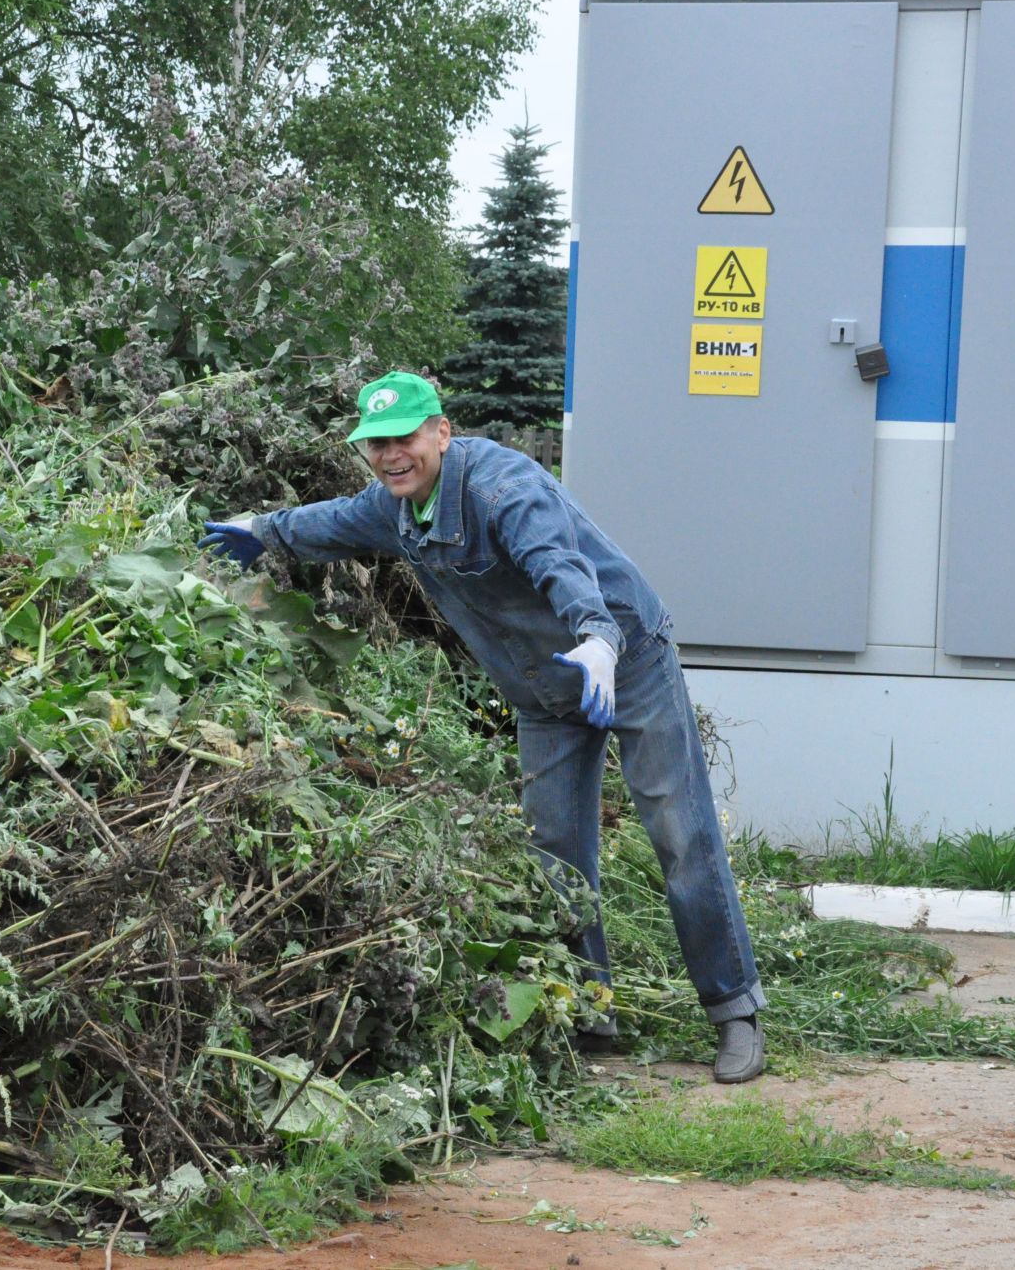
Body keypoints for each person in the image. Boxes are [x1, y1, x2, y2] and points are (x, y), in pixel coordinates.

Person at [198, 370, 766, 1083]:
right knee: (553, 852)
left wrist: (596, 638)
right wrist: (263, 530)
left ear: (441, 431)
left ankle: (734, 1010)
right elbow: (335, 521)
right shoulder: (397, 505)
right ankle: (588, 1010)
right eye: (375, 443)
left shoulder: (504, 490)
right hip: (543, 689)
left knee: (678, 830)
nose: (388, 454)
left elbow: (558, 565)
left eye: (403, 437)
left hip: (623, 656)